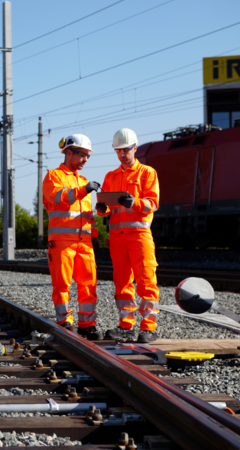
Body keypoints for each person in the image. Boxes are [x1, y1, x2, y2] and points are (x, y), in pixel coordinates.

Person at [95, 128, 160, 343]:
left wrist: (136, 202)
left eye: (125, 150)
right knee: (122, 282)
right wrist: (102, 206)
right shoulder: (110, 176)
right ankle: (126, 326)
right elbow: (104, 210)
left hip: (139, 235)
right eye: (118, 151)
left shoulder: (147, 173)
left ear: (135, 148)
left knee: (146, 280)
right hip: (117, 237)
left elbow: (153, 203)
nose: (122, 154)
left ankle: (149, 328)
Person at [43, 134, 102, 340]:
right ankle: (64, 321)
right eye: (83, 155)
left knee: (89, 283)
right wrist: (83, 190)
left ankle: (87, 325)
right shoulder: (54, 176)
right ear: (69, 153)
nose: (86, 160)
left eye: (88, 156)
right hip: (62, 242)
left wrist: (94, 236)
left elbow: (87, 215)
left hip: (84, 242)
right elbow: (60, 198)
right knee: (62, 283)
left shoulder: (83, 180)